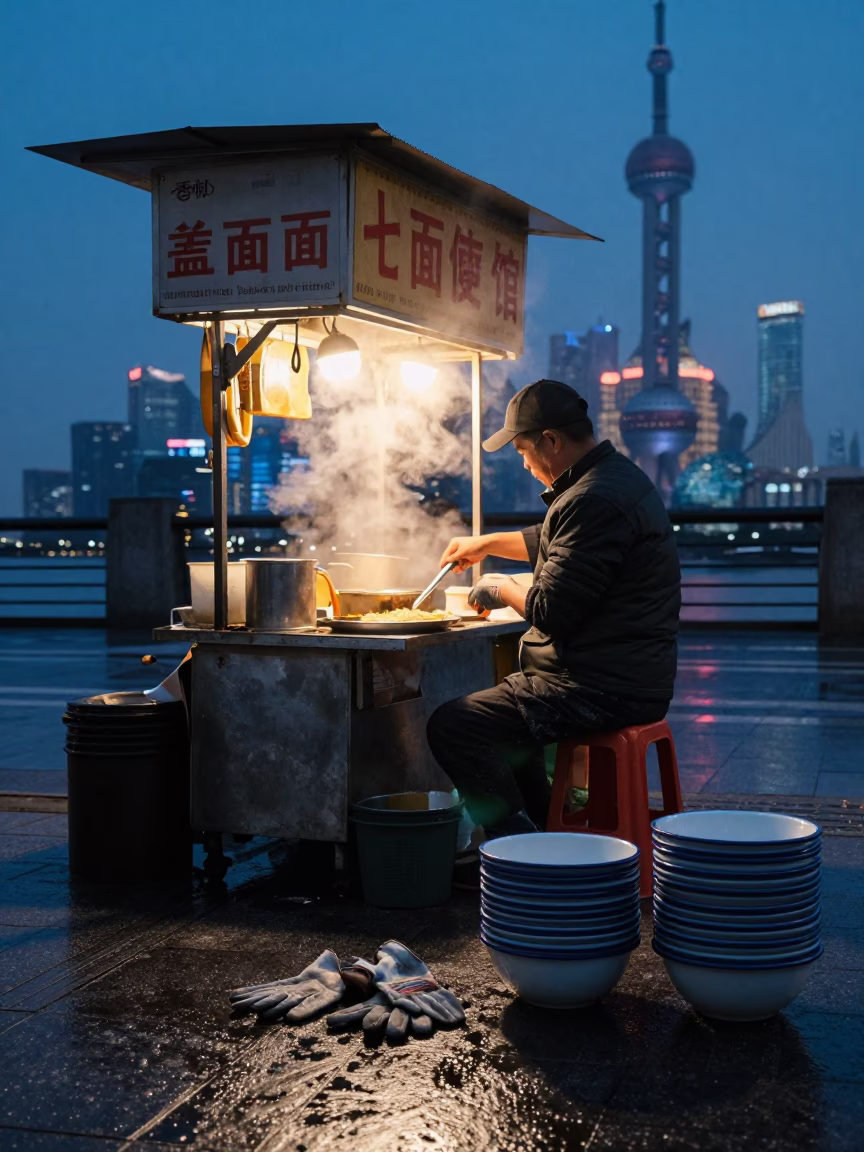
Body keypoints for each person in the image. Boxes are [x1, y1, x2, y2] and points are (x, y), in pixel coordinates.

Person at [426, 378, 681, 845]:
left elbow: (551, 609)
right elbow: (554, 541)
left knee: (455, 724)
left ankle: (517, 847)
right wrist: (484, 546)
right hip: (625, 673)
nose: (524, 464)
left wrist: (499, 585)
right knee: (508, 732)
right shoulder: (611, 478)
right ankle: (546, 835)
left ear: (551, 441)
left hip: (601, 686)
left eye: (524, 451)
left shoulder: (593, 498)